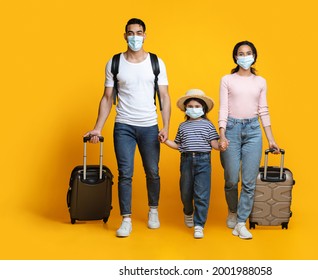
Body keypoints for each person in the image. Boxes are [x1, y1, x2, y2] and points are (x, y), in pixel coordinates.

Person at [84, 18, 171, 238]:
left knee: (152, 171)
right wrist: (97, 128)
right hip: (123, 125)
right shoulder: (114, 62)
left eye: (139, 33)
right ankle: (126, 219)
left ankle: (153, 210)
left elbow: (164, 96)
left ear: (145, 35)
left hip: (149, 125)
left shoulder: (156, 62)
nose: (135, 37)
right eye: (131, 33)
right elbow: (106, 98)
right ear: (125, 36)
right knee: (126, 174)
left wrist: (166, 126)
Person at [218, 40, 280, 239]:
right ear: (235, 57)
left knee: (249, 181)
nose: (245, 56)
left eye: (248, 53)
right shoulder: (227, 79)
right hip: (231, 129)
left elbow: (264, 110)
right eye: (241, 53)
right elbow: (224, 108)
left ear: (254, 56)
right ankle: (233, 210)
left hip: (253, 131)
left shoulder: (260, 82)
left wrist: (270, 138)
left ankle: (241, 222)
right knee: (230, 178)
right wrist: (222, 134)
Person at [161, 89, 220, 239]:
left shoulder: (208, 125)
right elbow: (178, 145)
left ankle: (199, 225)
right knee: (186, 192)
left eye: (197, 106)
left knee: (201, 194)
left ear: (203, 109)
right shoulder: (182, 126)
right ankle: (188, 212)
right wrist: (165, 140)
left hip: (203, 161)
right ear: (185, 109)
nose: (194, 109)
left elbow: (214, 143)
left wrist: (223, 144)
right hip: (186, 161)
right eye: (191, 106)